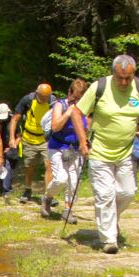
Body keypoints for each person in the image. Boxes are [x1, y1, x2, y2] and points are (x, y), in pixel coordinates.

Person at [71, 55, 139, 254]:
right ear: (113, 73)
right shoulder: (99, 87)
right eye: (120, 78)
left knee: (127, 192)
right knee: (105, 195)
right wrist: (82, 141)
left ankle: (111, 220)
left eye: (128, 78)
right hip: (100, 151)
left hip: (128, 151)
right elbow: (76, 112)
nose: (124, 82)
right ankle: (109, 239)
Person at [43, 79, 89, 219]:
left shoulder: (84, 108)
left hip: (75, 149)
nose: (77, 101)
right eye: (74, 98)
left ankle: (68, 210)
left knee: (73, 182)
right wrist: (69, 113)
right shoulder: (59, 105)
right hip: (57, 147)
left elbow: (87, 128)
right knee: (61, 179)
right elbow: (55, 127)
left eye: (80, 99)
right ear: (69, 92)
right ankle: (47, 197)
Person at [9, 83, 55, 203]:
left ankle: (48, 195)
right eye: (42, 96)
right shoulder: (28, 100)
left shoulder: (53, 102)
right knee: (30, 166)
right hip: (29, 139)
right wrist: (12, 138)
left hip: (46, 139)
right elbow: (15, 119)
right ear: (37, 93)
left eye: (46, 96)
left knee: (49, 165)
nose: (44, 99)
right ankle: (28, 189)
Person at [0, 102, 18, 198]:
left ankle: (7, 191)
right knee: (0, 168)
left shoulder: (14, 120)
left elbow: (19, 136)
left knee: (8, 167)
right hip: (0, 148)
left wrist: (13, 145)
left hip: (11, 149)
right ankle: (2, 191)